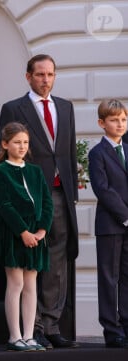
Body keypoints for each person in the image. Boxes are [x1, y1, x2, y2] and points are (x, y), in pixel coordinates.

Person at [0, 54, 79, 349]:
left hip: (59, 194)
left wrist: (73, 195)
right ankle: (30, 329)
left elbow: (68, 153)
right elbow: (6, 152)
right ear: (28, 76)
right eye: (40, 74)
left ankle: (52, 324)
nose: (46, 79)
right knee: (30, 264)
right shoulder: (13, 108)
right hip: (27, 195)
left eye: (50, 74)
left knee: (56, 260)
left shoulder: (66, 107)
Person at [0, 122, 53, 352]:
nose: (22, 146)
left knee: (31, 284)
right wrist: (23, 232)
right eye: (17, 142)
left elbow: (47, 202)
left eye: (25, 142)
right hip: (14, 235)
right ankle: (14, 336)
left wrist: (41, 230)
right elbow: (4, 205)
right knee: (15, 283)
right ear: (5, 144)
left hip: (36, 235)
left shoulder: (35, 171)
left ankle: (29, 335)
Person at [88, 99, 128, 348]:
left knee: (126, 276)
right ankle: (111, 329)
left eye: (123, 119)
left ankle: (126, 323)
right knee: (108, 277)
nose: (120, 124)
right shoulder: (97, 153)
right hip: (111, 224)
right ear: (102, 123)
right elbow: (103, 189)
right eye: (114, 120)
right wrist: (125, 215)